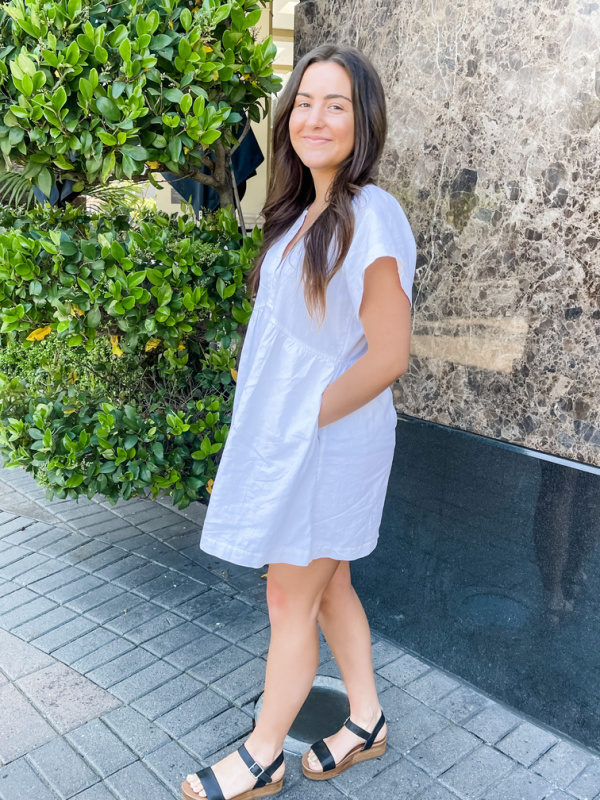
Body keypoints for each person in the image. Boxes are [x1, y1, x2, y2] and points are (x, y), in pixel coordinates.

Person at [182, 42, 417, 800]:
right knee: (331, 581)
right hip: (298, 440)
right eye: (305, 102)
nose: (315, 118)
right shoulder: (302, 212)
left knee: (290, 596)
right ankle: (367, 721)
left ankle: (262, 755)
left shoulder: (370, 214)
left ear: (363, 122)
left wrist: (293, 428)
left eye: (337, 105)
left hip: (330, 443)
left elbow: (388, 357)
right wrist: (262, 436)